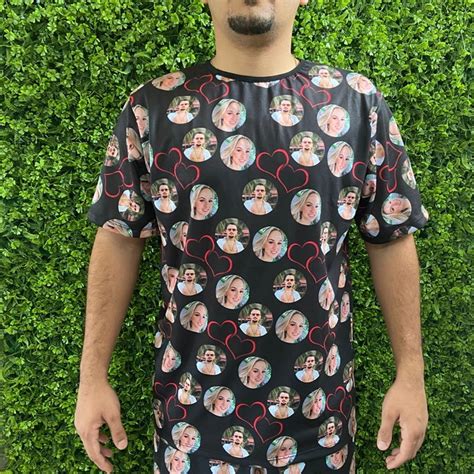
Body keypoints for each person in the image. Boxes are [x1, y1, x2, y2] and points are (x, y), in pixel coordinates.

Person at [76, 1, 429, 473]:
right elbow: (119, 237)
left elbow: (391, 236)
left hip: (320, 423)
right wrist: (92, 377)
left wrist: (411, 375)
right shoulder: (151, 108)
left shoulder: (357, 105)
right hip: (189, 424)